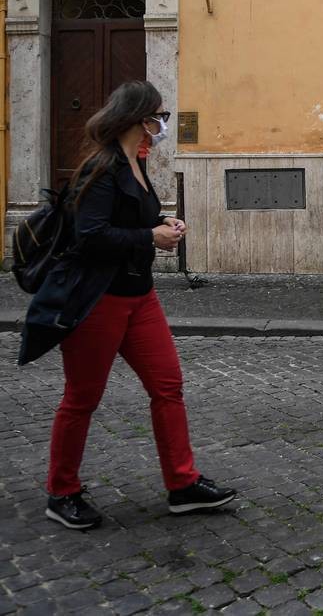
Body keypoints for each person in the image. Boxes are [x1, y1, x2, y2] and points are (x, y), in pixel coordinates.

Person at [19, 80, 236, 530]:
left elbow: (130, 217)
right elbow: (89, 235)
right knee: (82, 398)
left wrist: (161, 223)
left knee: (168, 385)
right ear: (140, 118)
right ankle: (61, 492)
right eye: (159, 115)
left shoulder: (136, 163)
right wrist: (147, 237)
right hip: (98, 301)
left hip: (140, 298)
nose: (162, 124)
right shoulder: (100, 168)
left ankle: (182, 484)